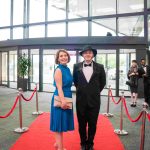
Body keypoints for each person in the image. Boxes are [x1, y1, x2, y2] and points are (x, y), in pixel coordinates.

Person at [73, 45, 106, 150]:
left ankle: (90, 143)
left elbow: (102, 83)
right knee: (81, 124)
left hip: (94, 101)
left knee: (93, 124)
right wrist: (84, 91)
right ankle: (83, 143)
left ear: (93, 55)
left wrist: (94, 92)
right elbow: (75, 82)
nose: (88, 54)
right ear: (82, 54)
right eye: (85, 52)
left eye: (90, 52)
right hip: (80, 100)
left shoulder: (100, 67)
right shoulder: (76, 66)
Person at [50, 49, 74, 150]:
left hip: (67, 96)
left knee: (62, 123)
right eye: (61, 56)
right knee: (58, 125)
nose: (64, 57)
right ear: (58, 59)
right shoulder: (59, 70)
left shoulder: (67, 69)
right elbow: (59, 88)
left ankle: (57, 144)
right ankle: (60, 148)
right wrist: (63, 101)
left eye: (65, 55)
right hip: (61, 98)